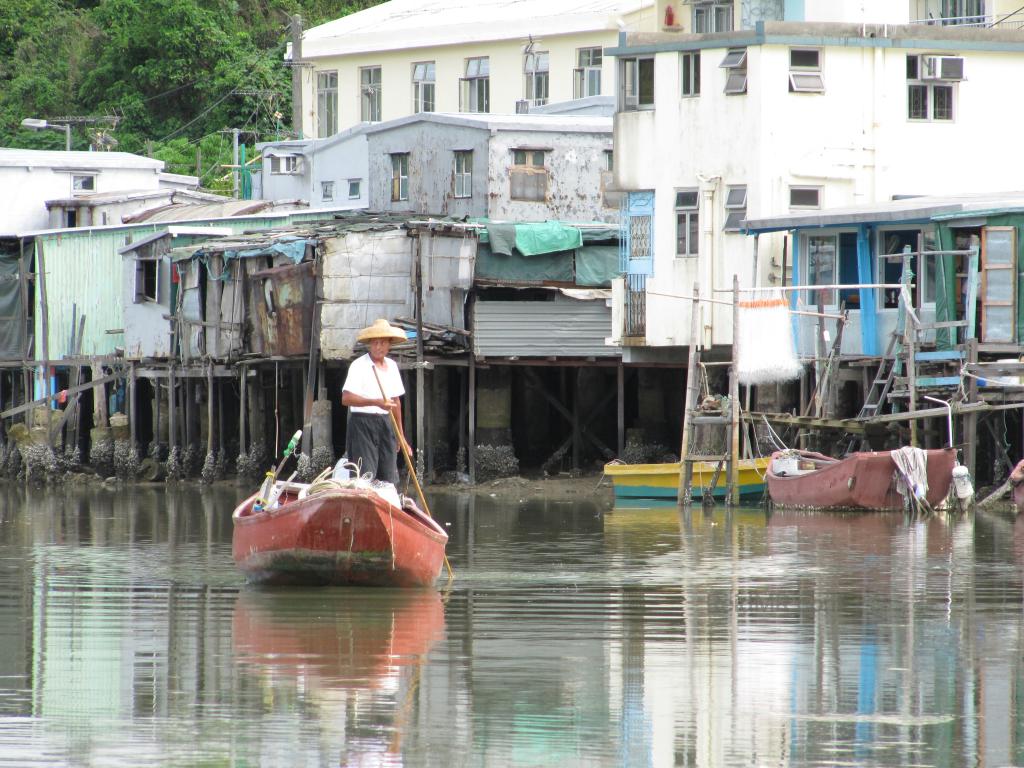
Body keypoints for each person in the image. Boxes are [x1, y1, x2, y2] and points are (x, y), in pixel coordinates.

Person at [341, 319, 411, 484]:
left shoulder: (392, 366)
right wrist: (375, 402)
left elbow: (396, 402)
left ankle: (386, 506)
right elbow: (346, 398)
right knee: (364, 476)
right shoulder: (359, 365)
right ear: (370, 345)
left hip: (385, 423)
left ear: (388, 345)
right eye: (375, 343)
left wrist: (400, 435)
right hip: (362, 424)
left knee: (388, 475)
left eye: (382, 343)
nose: (378, 347)